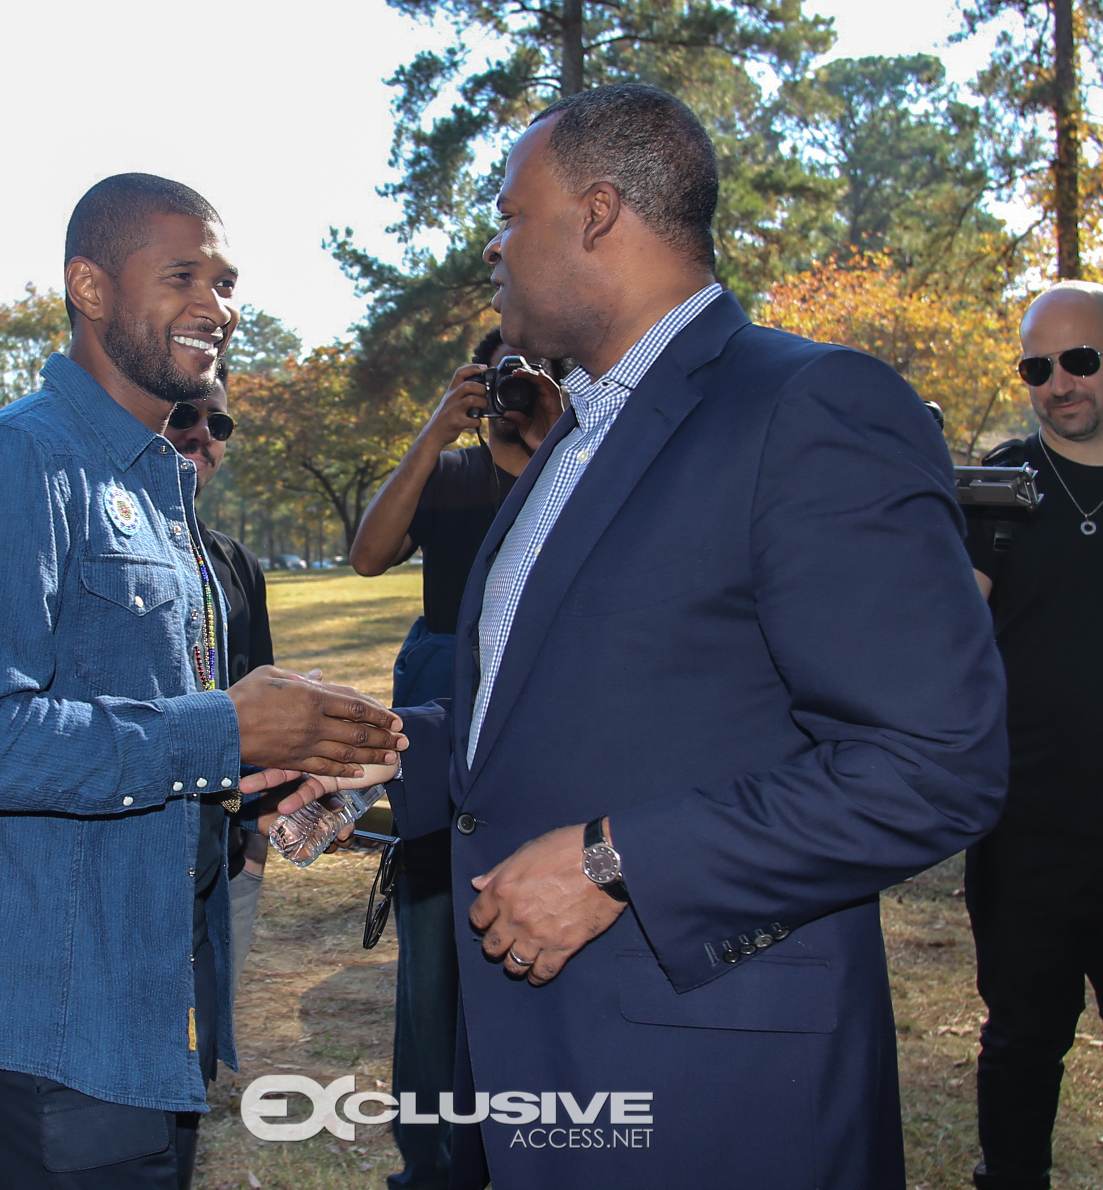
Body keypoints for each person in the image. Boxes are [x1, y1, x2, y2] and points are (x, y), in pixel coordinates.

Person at [268, 83, 1008, 1190]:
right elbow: (558, 706)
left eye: (513, 214)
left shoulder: (810, 406)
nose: (493, 244)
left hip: (711, 1080)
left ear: (599, 214)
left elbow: (933, 763)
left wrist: (620, 862)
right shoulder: (572, 437)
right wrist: (366, 760)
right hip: (539, 1064)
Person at [0, 173, 405, 1190]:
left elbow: (132, 715)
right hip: (46, 1011)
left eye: (225, 280)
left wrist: (270, 761)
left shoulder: (149, 482)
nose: (217, 305)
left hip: (144, 994)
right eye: (183, 275)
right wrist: (224, 727)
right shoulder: (13, 465)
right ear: (89, 285)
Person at [350, 332, 563, 1190]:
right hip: (449, 724)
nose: (518, 384)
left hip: (547, 726)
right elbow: (368, 555)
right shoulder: (454, 474)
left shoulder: (582, 466)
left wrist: (560, 423)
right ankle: (430, 1168)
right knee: (434, 960)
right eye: (503, 367)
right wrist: (437, 431)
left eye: (536, 367)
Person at [964, 280, 1103, 1190]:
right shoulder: (997, 492)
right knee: (1022, 1045)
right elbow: (944, 642)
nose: (1060, 384)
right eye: (1038, 367)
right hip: (1026, 831)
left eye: (1081, 360)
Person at [161, 359, 273, 995]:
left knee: (200, 1042)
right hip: (135, 843)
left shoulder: (234, 562)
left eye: (219, 422)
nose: (203, 434)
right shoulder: (91, 541)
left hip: (224, 850)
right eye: (185, 416)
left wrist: (253, 839)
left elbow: (261, 711)